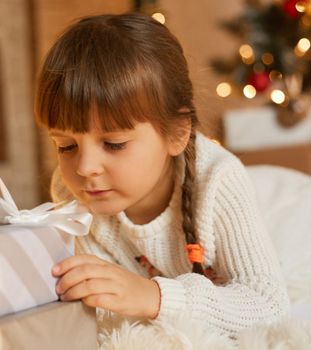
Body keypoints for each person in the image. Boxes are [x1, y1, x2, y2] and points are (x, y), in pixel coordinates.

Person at [35, 13, 294, 336]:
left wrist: (155, 297)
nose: (85, 167)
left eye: (114, 144)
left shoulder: (219, 181)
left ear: (177, 133)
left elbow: (270, 307)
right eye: (66, 146)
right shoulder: (77, 199)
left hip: (288, 204)